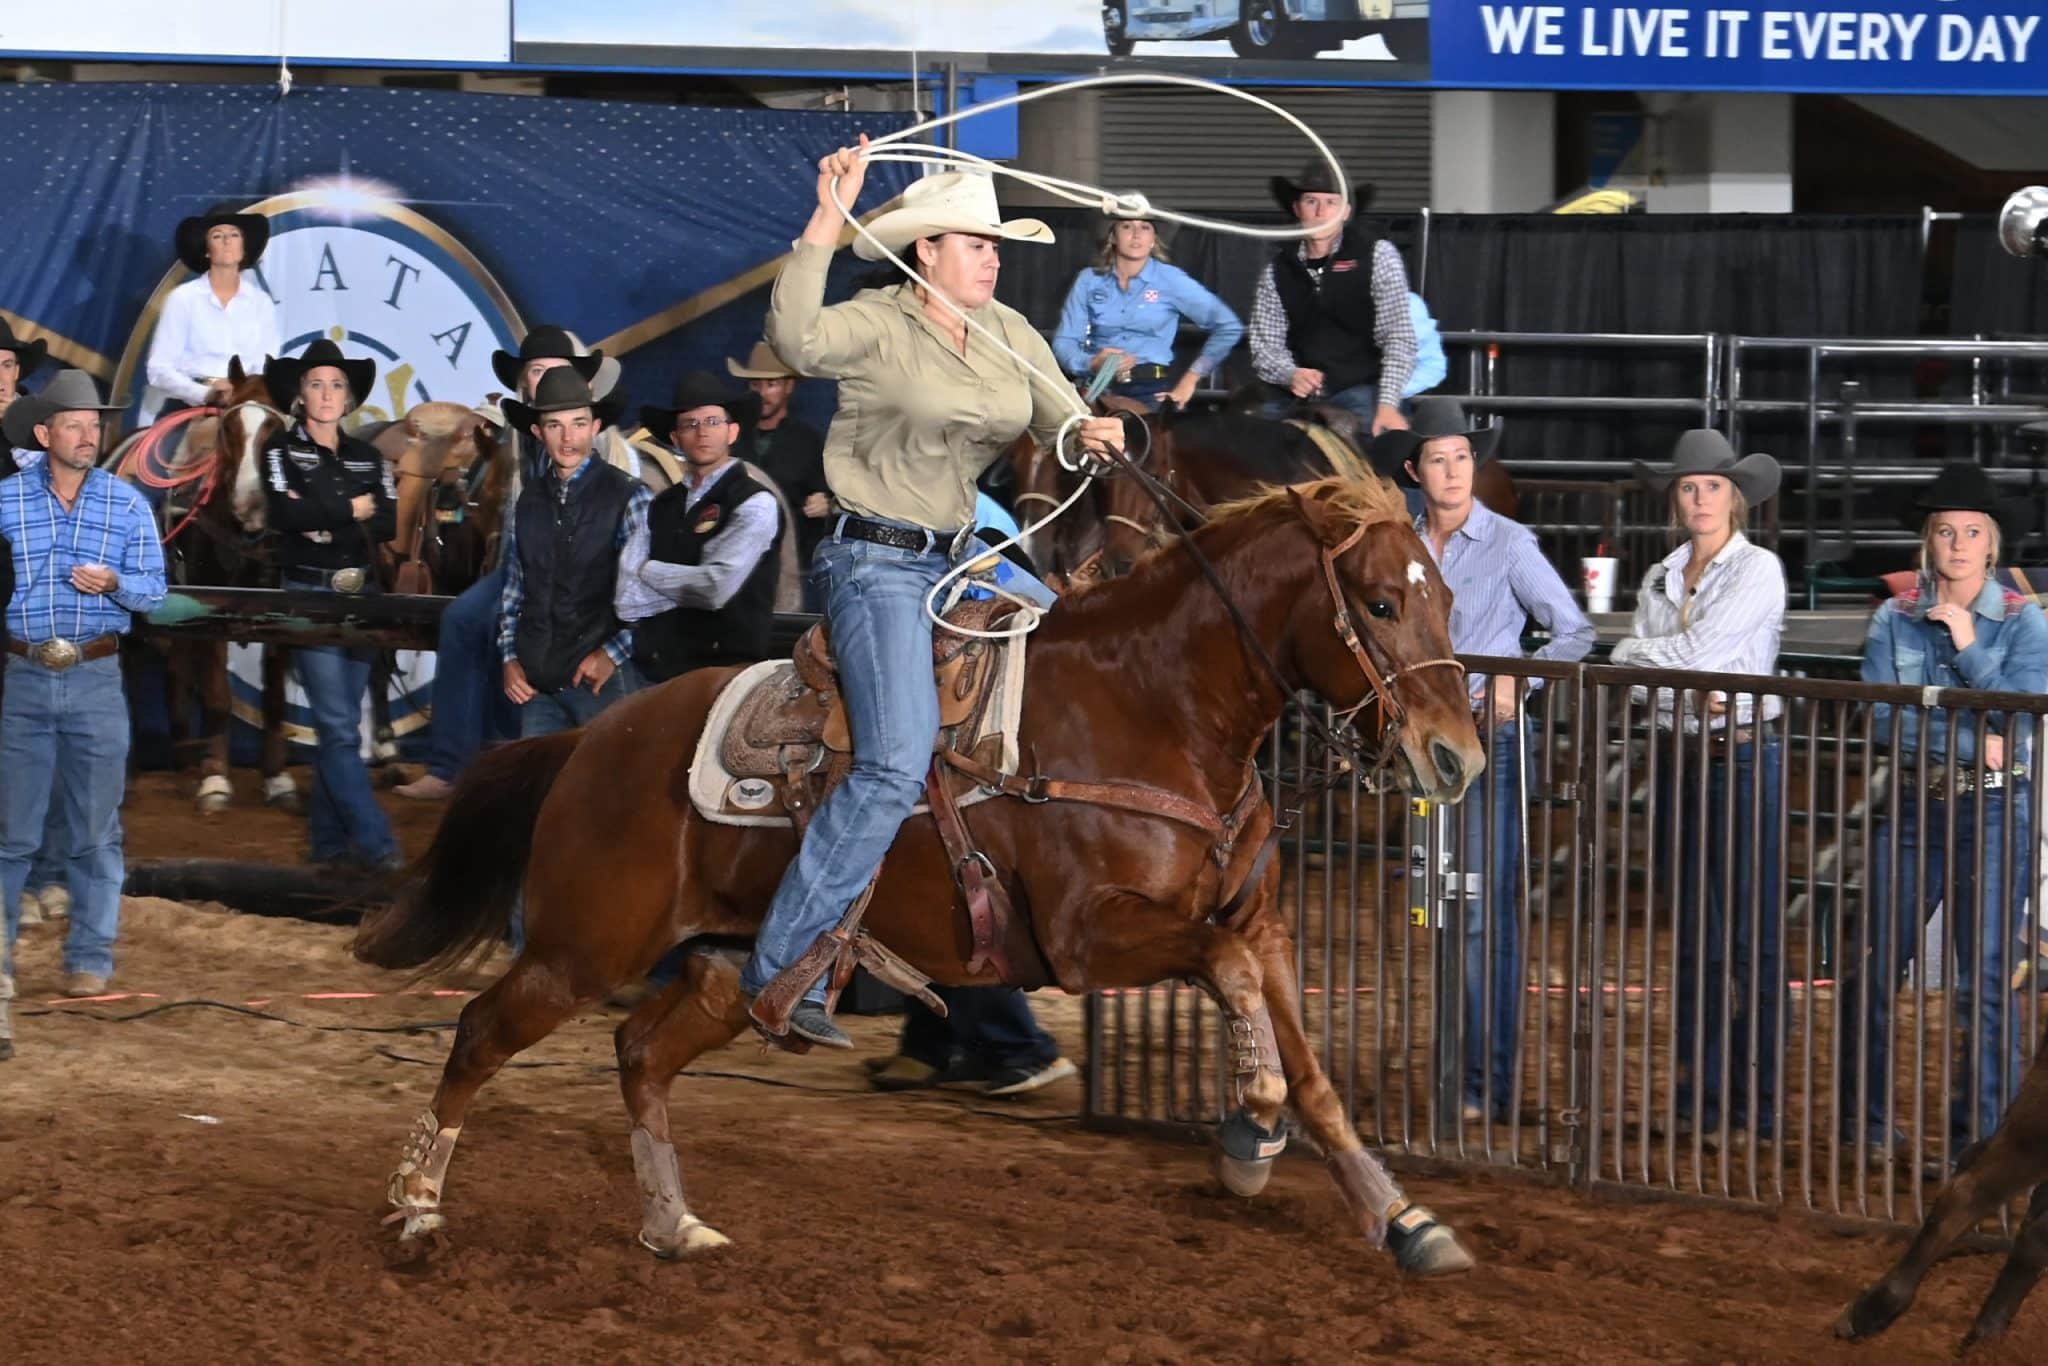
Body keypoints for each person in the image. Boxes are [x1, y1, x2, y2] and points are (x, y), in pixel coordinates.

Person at [742, 147, 1125, 1048]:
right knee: (889, 762)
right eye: (976, 243)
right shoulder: (876, 323)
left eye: (996, 245)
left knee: (1078, 649)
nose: (993, 257)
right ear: (927, 253)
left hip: (960, 559)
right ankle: (781, 971)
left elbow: (1059, 418)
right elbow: (794, 341)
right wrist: (827, 217)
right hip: (872, 560)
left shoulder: (1008, 330)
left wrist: (1091, 432)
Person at [1393, 398, 1594, 1123]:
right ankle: (1460, 1076)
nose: (1453, 472)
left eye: (1463, 458)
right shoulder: (1401, 545)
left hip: (1489, 741)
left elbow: (1572, 631)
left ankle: (1484, 1083)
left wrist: (1521, 678)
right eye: (1439, 459)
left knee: (1480, 913)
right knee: (1444, 909)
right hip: (1429, 750)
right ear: (1415, 470)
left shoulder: (1508, 542)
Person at [1842, 461, 2046, 1161]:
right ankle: (1867, 1128)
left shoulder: (2024, 623)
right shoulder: (1892, 615)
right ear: (1927, 544)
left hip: (1994, 811)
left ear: (1992, 547)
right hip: (1913, 803)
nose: (1957, 544)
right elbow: (1881, 719)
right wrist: (1969, 736)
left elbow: (2020, 722)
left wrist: (1965, 644)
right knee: (1871, 967)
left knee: (1985, 978)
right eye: (1944, 531)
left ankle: (1983, 1146)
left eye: (1971, 532)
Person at [867, 490, 1077, 1095]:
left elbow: (1024, 596)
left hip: (971, 706)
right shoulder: (928, 504)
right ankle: (932, 1042)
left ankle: (1017, 1046)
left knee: (955, 867)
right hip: (951, 693)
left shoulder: (973, 515)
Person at [1613, 430, 1788, 1146]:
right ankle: (1701, 1096)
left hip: (1741, 757)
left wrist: (1638, 656)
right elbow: (1664, 679)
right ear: (1675, 499)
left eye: (1712, 486)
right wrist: (1672, 677)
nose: (1699, 498)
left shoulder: (1759, 570)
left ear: (1735, 497)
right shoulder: (1660, 575)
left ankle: (1757, 1101)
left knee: (1752, 939)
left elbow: (1695, 655)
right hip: (1685, 756)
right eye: (1688, 487)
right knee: (1695, 936)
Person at [0, 370, 167, 1036]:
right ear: (44, 434)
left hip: (96, 675)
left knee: (97, 830)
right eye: (75, 424)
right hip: (25, 674)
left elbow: (154, 593)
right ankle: (1, 960)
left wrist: (117, 582)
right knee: (12, 832)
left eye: (95, 425)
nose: (89, 435)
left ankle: (90, 956)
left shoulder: (125, 504)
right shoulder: (5, 501)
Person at [393, 326, 616, 802]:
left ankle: (511, 762)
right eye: (536, 371)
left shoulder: (605, 441)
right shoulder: (518, 437)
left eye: (556, 370)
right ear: (523, 384)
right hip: (523, 566)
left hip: (586, 577)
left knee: (516, 631)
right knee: (463, 618)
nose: (545, 379)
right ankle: (451, 765)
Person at [260, 339, 401, 872]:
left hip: (361, 594)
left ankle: (327, 846)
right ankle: (379, 844)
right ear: (300, 393)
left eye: (336, 385)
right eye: (316, 383)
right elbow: (284, 516)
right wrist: (351, 507)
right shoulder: (278, 450)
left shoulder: (368, 455)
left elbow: (387, 522)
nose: (326, 393)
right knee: (340, 727)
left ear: (349, 398)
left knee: (338, 727)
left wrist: (321, 511)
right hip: (309, 594)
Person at [496, 366, 648, 739]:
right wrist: (509, 658)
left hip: (600, 682)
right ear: (537, 431)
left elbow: (650, 595)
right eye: (554, 426)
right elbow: (515, 591)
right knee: (538, 794)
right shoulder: (528, 501)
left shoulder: (630, 496)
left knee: (606, 791)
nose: (568, 439)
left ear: (595, 426)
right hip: (536, 686)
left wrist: (611, 654)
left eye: (578, 424)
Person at [618, 371, 782, 683]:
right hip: (658, 674)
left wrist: (648, 571)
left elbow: (714, 588)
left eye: (712, 422)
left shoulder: (756, 502)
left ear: (732, 432)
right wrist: (690, 582)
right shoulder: (661, 505)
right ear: (676, 439)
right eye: (690, 424)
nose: (702, 432)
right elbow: (626, 599)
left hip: (726, 675)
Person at [1247, 162, 1415, 434]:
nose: (1320, 212)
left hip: (1363, 389)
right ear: (1297, 208)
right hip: (1297, 394)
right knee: (1248, 446)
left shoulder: (1377, 256)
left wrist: (1387, 402)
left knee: (1371, 450)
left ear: (1346, 211)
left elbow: (1398, 336)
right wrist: (1290, 374)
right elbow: (1265, 346)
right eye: (1311, 201)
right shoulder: (1277, 270)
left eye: (1330, 202)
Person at [0, 322, 70, 929]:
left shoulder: (40, 439)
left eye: (4, 364)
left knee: (39, 747)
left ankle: (44, 874)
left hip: (33, 613)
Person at [1051, 211, 1243, 411]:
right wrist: (1090, 363)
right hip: (1096, 387)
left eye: (1145, 227)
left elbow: (1228, 326)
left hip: (1150, 390)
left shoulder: (1171, 280)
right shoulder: (1089, 280)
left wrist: (1190, 381)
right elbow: (1065, 342)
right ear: (1113, 236)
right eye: (1126, 226)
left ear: (1154, 239)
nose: (1136, 234)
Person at [142, 210, 280, 424]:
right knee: (169, 454)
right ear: (207, 251)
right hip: (189, 407)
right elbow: (159, 369)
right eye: (217, 236)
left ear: (243, 249)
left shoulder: (261, 303)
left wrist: (240, 390)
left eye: (234, 235)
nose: (227, 241)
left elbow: (265, 364)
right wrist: (204, 393)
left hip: (245, 406)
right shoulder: (183, 299)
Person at [727, 340, 831, 605]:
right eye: (755, 384)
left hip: (790, 566)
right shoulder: (730, 438)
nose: (762, 393)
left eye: (771, 384)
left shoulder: (808, 441)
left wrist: (825, 504)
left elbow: (827, 495)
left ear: (789, 386)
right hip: (735, 564)